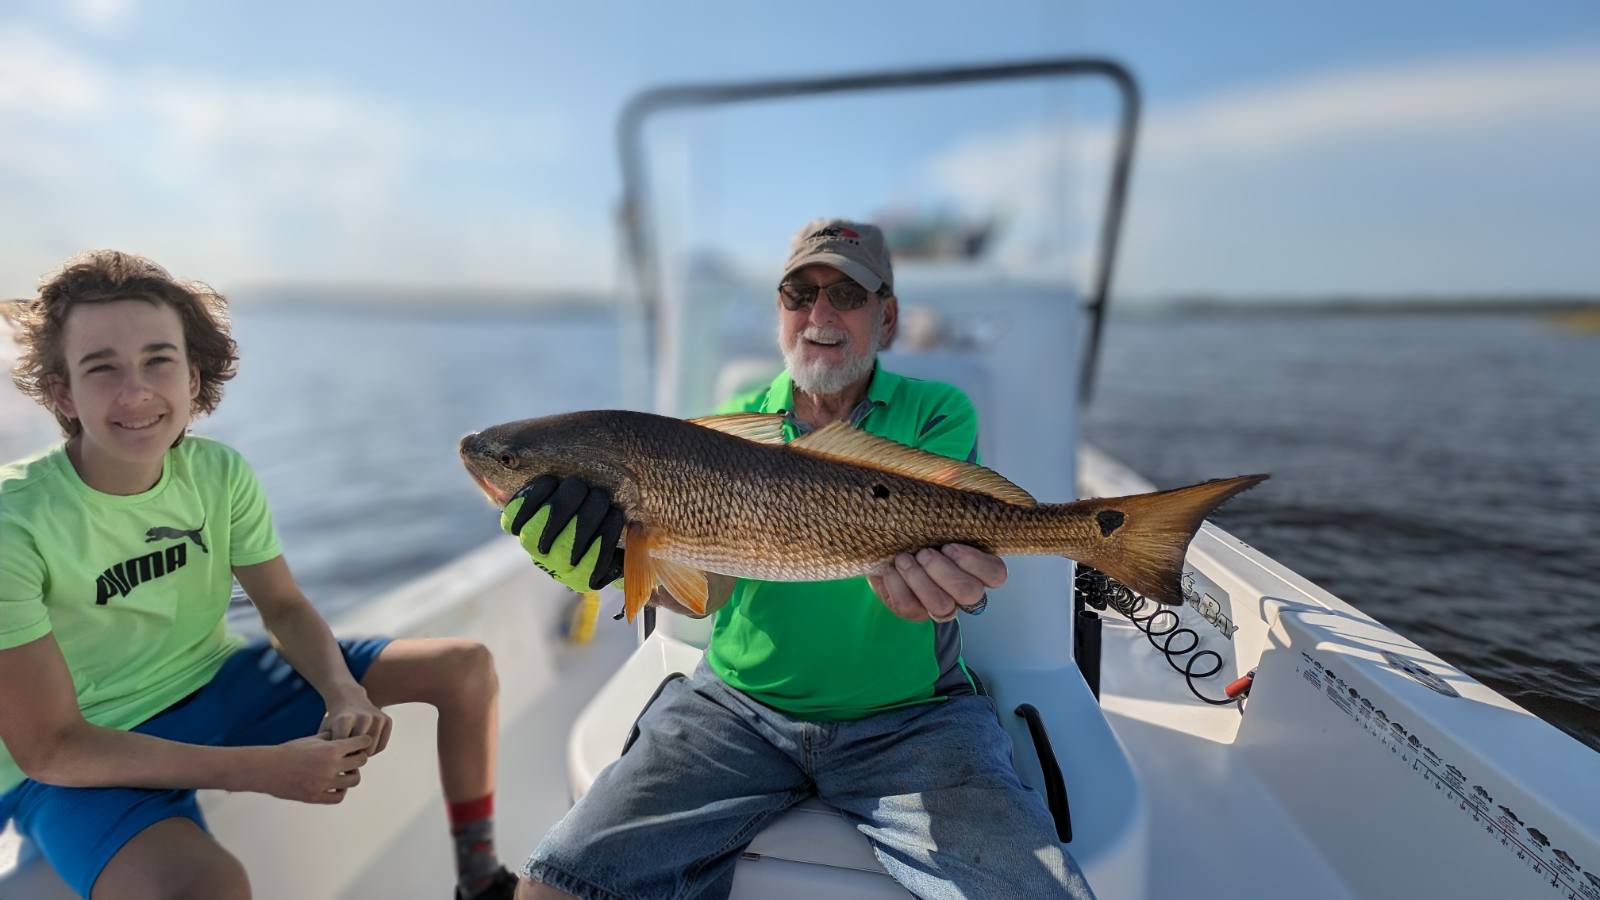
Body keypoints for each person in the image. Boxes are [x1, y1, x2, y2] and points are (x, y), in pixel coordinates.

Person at [500, 219, 1095, 899]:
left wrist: (949, 588)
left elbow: (955, 530)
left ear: (887, 314)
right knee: (554, 886)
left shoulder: (937, 411)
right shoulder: (728, 426)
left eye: (846, 293)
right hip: (735, 711)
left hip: (913, 720)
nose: (819, 314)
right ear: (780, 311)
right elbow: (709, 593)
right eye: (798, 293)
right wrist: (612, 567)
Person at [0, 251, 518, 900]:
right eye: (101, 369)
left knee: (464, 667)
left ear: (194, 377)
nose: (135, 392)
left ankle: (481, 882)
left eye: (158, 360)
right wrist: (260, 770)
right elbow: (50, 748)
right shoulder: (12, 520)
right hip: (84, 756)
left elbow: (284, 607)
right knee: (210, 887)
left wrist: (341, 691)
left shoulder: (219, 474)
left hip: (215, 681)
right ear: (61, 393)